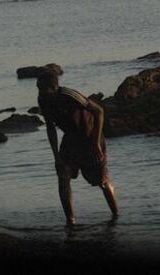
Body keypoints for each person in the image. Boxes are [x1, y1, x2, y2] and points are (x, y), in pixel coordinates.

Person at [37, 70, 118, 226]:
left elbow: (99, 111)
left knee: (102, 181)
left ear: (54, 87)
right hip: (71, 140)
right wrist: (56, 157)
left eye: (42, 88)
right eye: (38, 88)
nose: (39, 92)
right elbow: (50, 128)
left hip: (90, 137)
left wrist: (95, 143)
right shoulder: (42, 100)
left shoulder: (69, 95)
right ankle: (70, 220)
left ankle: (116, 216)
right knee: (63, 176)